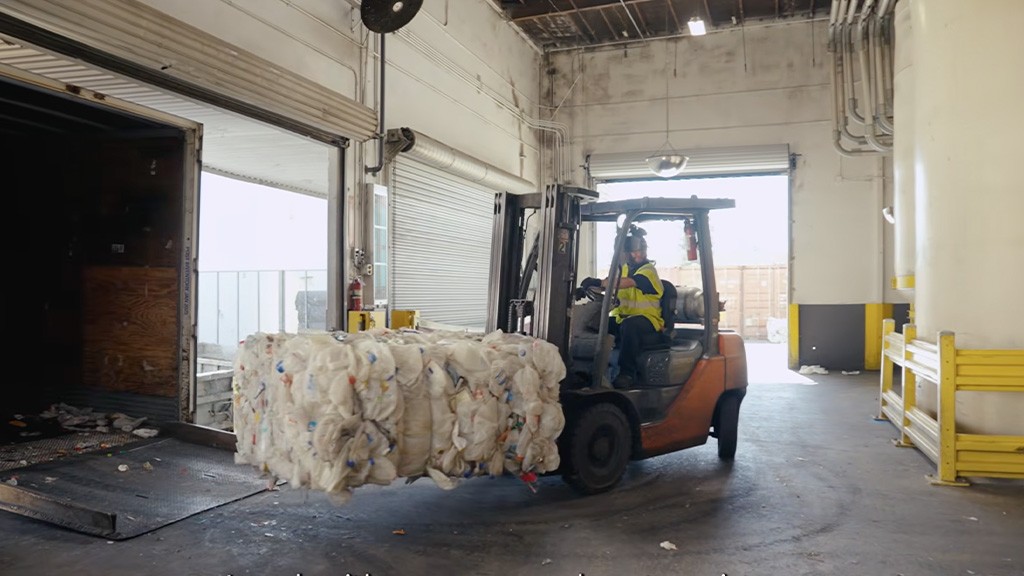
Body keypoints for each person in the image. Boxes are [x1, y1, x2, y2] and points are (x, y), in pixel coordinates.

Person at [577, 230, 663, 388]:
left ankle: (627, 373)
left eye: (642, 251)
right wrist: (584, 289)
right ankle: (590, 368)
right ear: (627, 253)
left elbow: (628, 282)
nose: (640, 255)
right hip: (622, 318)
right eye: (636, 252)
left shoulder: (648, 271)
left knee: (630, 326)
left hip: (648, 320)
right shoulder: (622, 270)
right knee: (597, 325)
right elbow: (612, 282)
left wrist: (600, 282)